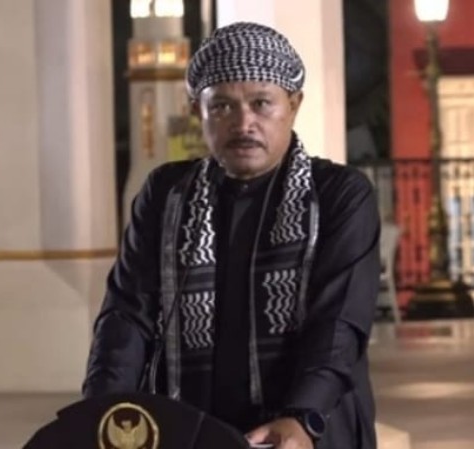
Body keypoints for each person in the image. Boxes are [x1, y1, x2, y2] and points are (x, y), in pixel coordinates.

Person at [83, 21, 380, 449]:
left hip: (309, 428)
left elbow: (338, 323)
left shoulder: (338, 195)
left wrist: (302, 416)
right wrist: (102, 412)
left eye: (261, 104)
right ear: (196, 111)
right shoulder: (166, 194)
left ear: (293, 104)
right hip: (191, 425)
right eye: (222, 106)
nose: (243, 123)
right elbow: (127, 316)